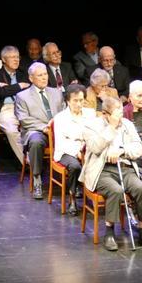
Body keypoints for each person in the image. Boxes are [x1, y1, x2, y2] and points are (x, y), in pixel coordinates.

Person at [81, 97, 142, 251]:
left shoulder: (127, 124)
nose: (120, 118)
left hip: (124, 167)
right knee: (116, 191)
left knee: (141, 188)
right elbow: (95, 148)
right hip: (101, 170)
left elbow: (139, 148)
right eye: (116, 114)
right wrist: (112, 128)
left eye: (121, 113)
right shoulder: (91, 126)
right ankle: (109, 232)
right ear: (105, 114)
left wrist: (121, 150)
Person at [14, 62, 65, 199]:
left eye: (45, 74)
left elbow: (64, 113)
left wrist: (56, 126)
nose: (44, 78)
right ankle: (37, 180)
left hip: (58, 130)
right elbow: (24, 119)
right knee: (36, 142)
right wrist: (44, 127)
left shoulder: (57, 93)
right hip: (36, 131)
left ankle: (74, 182)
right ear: (31, 78)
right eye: (40, 75)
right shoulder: (22, 96)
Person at [52, 84, 94, 215]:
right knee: (75, 166)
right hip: (67, 151)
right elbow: (61, 142)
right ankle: (72, 198)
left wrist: (87, 150)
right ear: (68, 101)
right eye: (75, 100)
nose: (79, 104)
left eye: (81, 100)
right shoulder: (60, 118)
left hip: (87, 149)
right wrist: (76, 152)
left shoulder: (90, 114)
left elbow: (95, 134)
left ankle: (93, 195)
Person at [0, 46, 30, 165]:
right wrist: (20, 86)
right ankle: (28, 164)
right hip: (5, 109)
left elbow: (30, 90)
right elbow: (1, 93)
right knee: (11, 130)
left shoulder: (23, 73)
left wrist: (7, 88)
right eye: (11, 57)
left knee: (35, 127)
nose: (16, 60)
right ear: (3, 59)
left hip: (25, 108)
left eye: (17, 57)